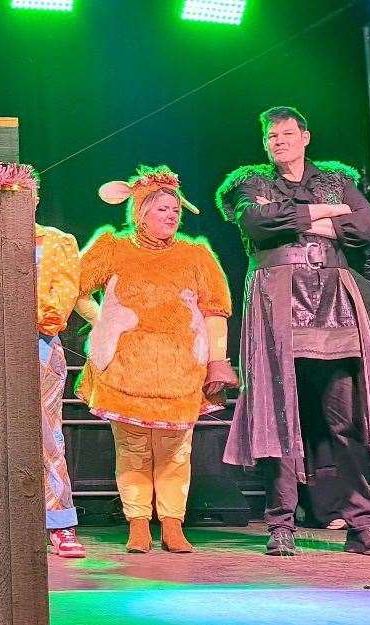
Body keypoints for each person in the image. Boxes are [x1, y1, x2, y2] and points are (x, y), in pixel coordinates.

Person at [219, 106, 370, 556]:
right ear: (265, 144)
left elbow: (365, 225)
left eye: (286, 133)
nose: (278, 141)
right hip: (278, 304)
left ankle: (363, 525)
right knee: (279, 416)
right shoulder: (251, 182)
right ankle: (281, 524)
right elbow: (258, 224)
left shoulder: (337, 179)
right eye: (271, 136)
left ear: (305, 137)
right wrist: (325, 214)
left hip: (333, 303)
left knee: (346, 418)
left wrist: (302, 215)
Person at [76, 165, 236, 554]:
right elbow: (75, 289)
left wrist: (218, 361)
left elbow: (215, 310)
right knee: (132, 448)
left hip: (180, 369)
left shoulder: (196, 255)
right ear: (140, 211)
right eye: (162, 208)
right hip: (125, 368)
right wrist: (106, 324)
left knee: (175, 450)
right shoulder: (112, 247)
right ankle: (137, 522)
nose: (171, 215)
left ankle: (172, 522)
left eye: (175, 209)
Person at [36, 219, 86, 558]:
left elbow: (57, 308)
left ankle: (59, 522)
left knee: (47, 434)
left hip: (38, 343)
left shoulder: (56, 241)